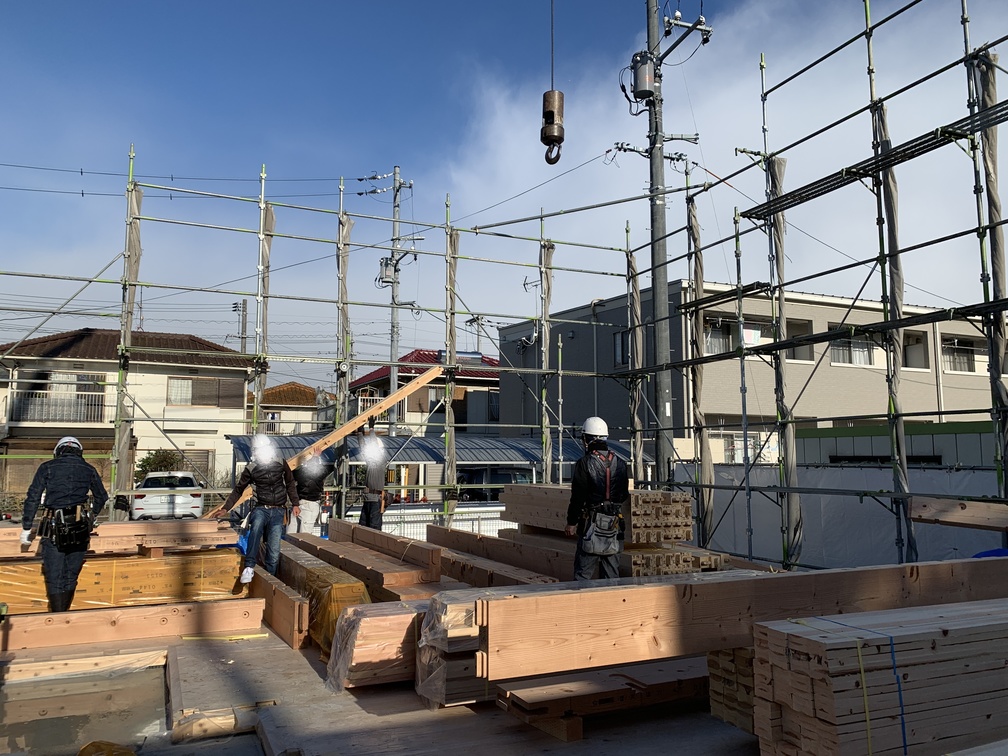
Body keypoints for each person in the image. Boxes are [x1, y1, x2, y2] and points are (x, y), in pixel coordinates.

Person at [21, 436, 108, 612]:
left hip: (53, 527)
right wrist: (91, 517)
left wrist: (26, 527)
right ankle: (64, 616)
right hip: (79, 527)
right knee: (70, 575)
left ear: (58, 451)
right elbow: (101, 497)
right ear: (79, 451)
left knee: (54, 576)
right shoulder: (89, 469)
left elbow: (33, 497)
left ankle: (56, 617)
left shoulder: (47, 467)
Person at [220, 434, 300, 583]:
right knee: (255, 530)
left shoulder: (281, 464)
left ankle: (270, 579)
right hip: (261, 508)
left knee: (274, 549)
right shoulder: (251, 469)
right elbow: (238, 490)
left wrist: (295, 503)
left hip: (278, 510)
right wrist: (226, 508)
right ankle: (249, 567)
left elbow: (290, 483)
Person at [564, 416, 629, 581]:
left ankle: (584, 606)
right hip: (613, 526)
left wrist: (572, 522)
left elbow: (577, 497)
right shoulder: (620, 463)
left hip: (590, 527)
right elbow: (623, 494)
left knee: (583, 576)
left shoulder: (584, 463)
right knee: (611, 576)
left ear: (586, 439)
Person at [288, 449, 334, 535]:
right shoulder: (316, 473)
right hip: (308, 504)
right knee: (303, 535)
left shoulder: (302, 472)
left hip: (302, 503)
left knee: (294, 533)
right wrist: (315, 457)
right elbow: (316, 472)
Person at [358, 420, 389, 531]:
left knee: (374, 528)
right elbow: (363, 448)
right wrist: (360, 433)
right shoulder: (371, 461)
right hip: (368, 499)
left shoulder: (381, 461)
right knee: (363, 526)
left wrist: (371, 429)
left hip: (376, 501)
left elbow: (374, 446)